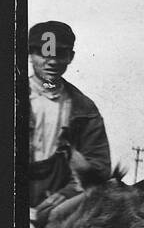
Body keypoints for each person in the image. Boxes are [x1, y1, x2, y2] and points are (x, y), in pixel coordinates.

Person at [28, 21, 112, 217]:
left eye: (60, 54)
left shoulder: (85, 109)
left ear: (70, 57)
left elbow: (98, 167)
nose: (52, 62)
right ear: (30, 54)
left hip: (58, 207)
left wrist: (68, 193)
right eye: (44, 53)